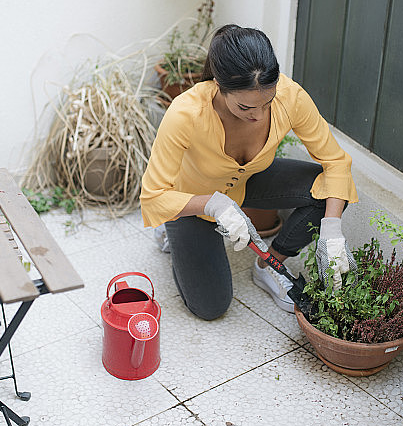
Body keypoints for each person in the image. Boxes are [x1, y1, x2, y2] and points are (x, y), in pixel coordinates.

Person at [140, 24, 358, 320]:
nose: (257, 116)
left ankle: (270, 266)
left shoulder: (290, 96)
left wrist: (332, 231)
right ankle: (171, 232)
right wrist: (213, 205)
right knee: (211, 307)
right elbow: (153, 197)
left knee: (328, 193)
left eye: (267, 103)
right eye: (245, 107)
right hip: (192, 199)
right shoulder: (186, 113)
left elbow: (336, 163)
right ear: (219, 84)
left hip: (248, 181)